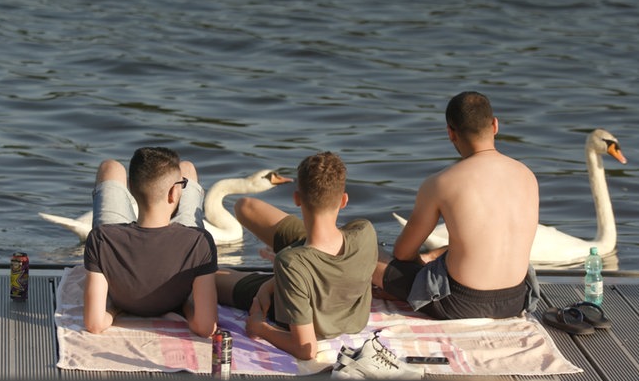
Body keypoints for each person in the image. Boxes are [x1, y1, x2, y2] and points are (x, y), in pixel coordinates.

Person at [372, 91, 540, 319]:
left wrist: (421, 266)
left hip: (462, 304)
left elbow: (403, 253)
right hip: (516, 300)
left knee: (368, 255)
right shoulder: (527, 175)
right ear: (495, 125)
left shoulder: (441, 182)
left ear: (451, 133)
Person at [216, 152, 378, 360]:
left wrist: (259, 326)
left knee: (210, 277)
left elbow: (306, 349)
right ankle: (308, 243)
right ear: (344, 200)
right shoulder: (365, 231)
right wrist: (272, 282)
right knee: (245, 206)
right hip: (319, 267)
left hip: (298, 281)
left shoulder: (290, 263)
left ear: (296, 199)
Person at [83, 147, 218, 337]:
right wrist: (186, 306)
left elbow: (95, 324)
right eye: (181, 186)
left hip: (117, 246)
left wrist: (114, 309)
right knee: (187, 168)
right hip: (180, 266)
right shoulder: (199, 242)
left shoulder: (101, 239)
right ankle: (179, 177)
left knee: (111, 167)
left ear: (129, 188)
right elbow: (205, 327)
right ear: (174, 193)